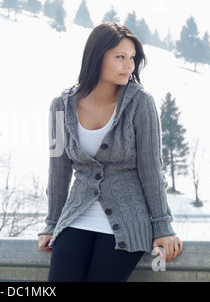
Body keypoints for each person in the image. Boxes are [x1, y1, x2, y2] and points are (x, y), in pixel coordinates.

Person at [38, 22, 183, 282]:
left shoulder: (140, 103)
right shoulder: (60, 106)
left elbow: (151, 168)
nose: (129, 65)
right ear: (96, 56)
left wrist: (162, 226)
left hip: (127, 223)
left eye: (132, 58)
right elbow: (57, 171)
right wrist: (51, 223)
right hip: (74, 221)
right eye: (120, 57)